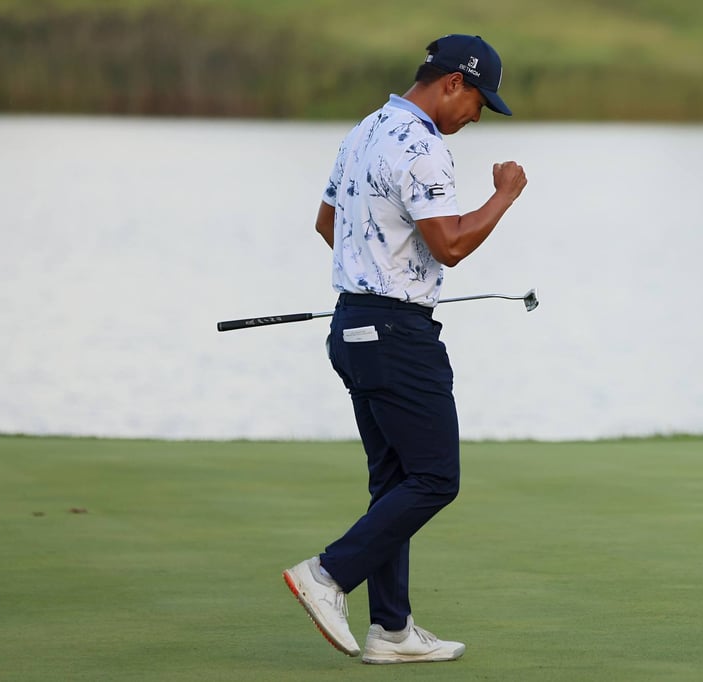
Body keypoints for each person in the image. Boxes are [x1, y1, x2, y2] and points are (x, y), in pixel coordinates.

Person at [282, 34, 527, 665]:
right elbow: (448, 245)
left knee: (394, 481)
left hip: (353, 327)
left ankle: (391, 630)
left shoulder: (365, 130)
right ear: (453, 83)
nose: (476, 117)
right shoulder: (422, 146)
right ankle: (329, 575)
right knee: (435, 478)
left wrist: (373, 272)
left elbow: (327, 225)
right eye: (479, 102)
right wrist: (503, 194)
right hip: (397, 336)